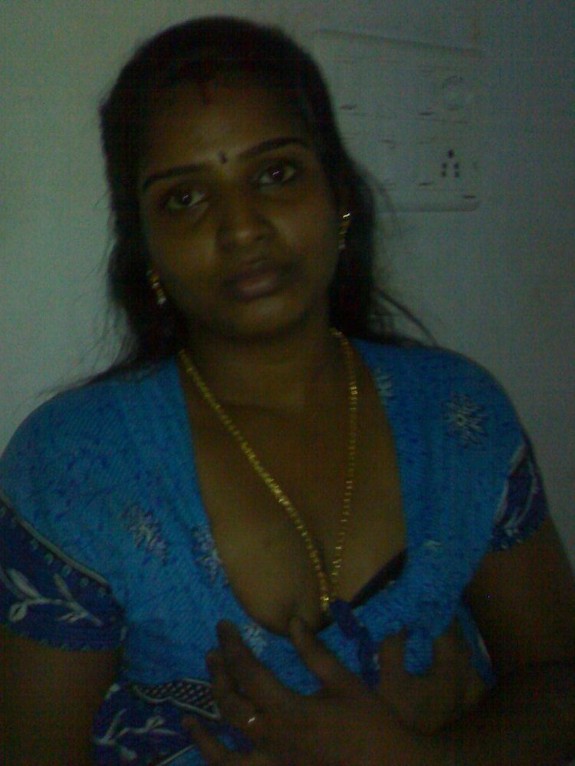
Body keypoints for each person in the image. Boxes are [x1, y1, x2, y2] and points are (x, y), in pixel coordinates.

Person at [0, 15, 574, 766]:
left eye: (275, 174)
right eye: (184, 198)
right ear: (146, 250)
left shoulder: (458, 416)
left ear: (338, 194)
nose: (241, 227)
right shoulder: (76, 464)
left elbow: (555, 679)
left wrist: (420, 759)